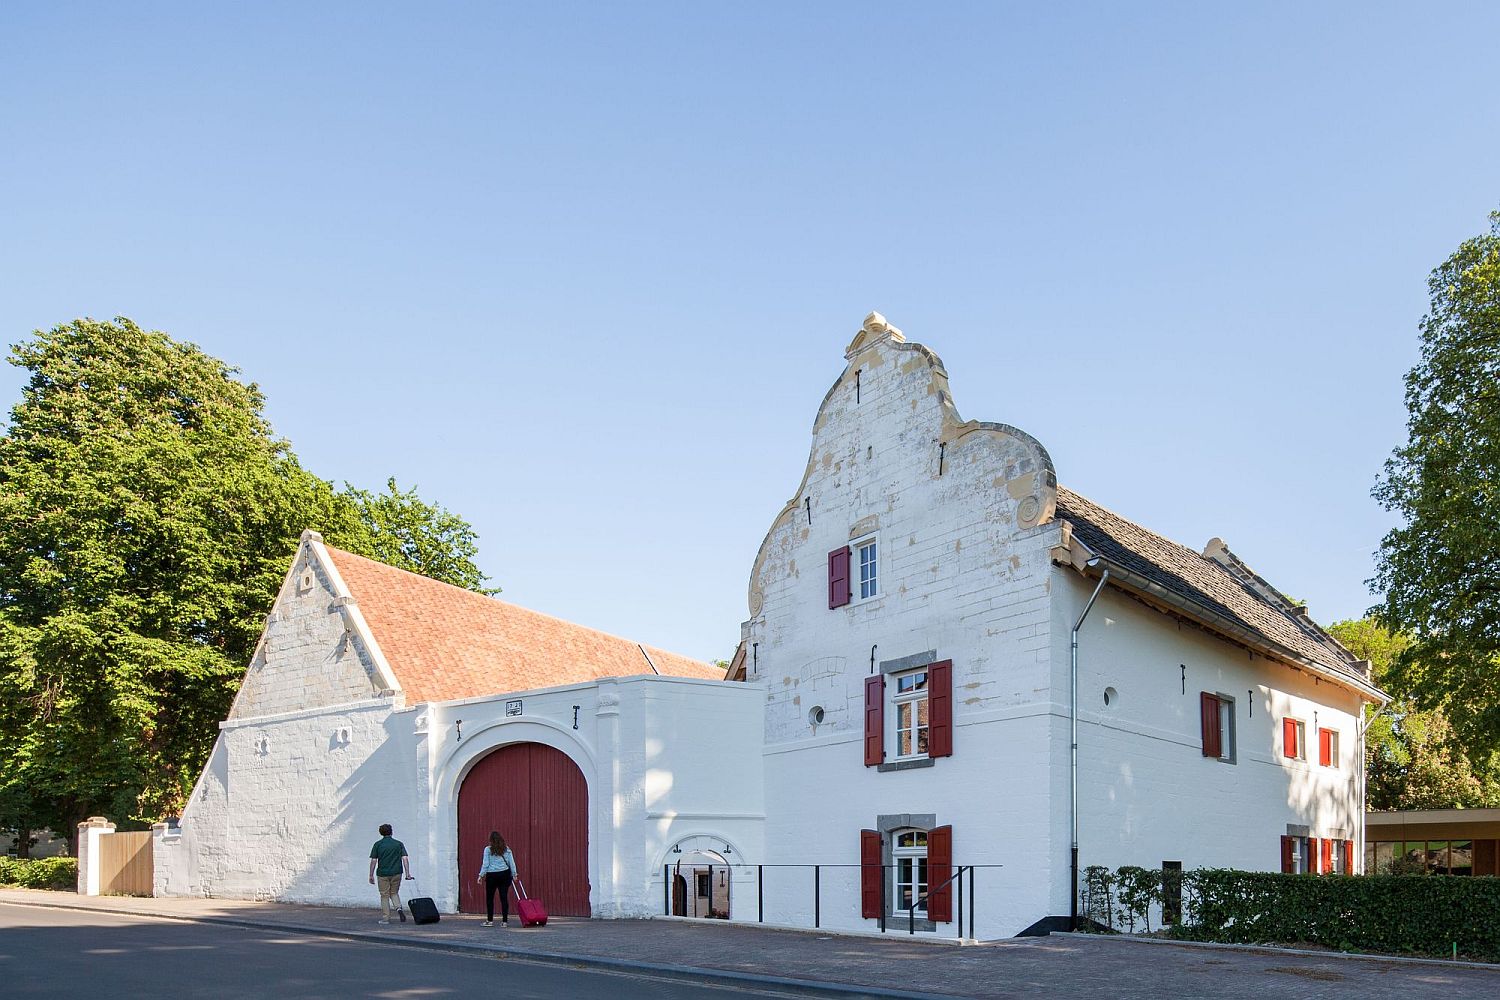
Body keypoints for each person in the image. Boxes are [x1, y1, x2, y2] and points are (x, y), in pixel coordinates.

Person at [368, 823, 414, 925]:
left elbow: (374, 860)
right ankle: (398, 908)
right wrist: (407, 873)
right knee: (394, 892)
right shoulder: (398, 844)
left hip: (383, 873)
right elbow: (405, 858)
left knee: (384, 895)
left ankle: (386, 918)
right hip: (397, 872)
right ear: (391, 832)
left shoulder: (378, 844)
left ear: (381, 833)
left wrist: (371, 874)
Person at [475, 831, 517, 927]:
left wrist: (481, 875)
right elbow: (512, 862)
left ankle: (490, 921)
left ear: (490, 840)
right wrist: (514, 874)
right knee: (504, 898)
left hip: (492, 876)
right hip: (504, 874)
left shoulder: (488, 850)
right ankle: (504, 922)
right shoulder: (506, 849)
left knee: (490, 898)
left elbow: (485, 864)